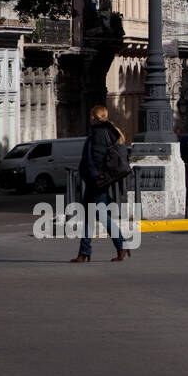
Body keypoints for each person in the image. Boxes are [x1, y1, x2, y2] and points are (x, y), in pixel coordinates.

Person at [71, 104, 130, 263]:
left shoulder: (99, 133)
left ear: (94, 117)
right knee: (90, 215)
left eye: (91, 116)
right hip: (99, 181)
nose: (89, 118)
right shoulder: (110, 131)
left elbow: (96, 159)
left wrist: (94, 177)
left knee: (99, 215)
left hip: (97, 182)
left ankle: (121, 244)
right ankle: (84, 251)